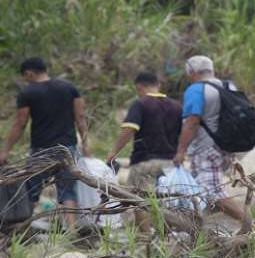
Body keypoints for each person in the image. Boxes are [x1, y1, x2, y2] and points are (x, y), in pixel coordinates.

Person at [0, 58, 89, 231]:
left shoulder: (28, 93)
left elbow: (20, 124)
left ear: (29, 73)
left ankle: (22, 229)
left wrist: (5, 150)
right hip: (68, 149)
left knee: (30, 190)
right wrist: (85, 145)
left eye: (25, 76)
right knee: (68, 190)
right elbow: (81, 118)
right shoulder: (69, 88)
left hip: (41, 150)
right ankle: (70, 232)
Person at [173, 55, 253, 234]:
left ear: (191, 72)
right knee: (201, 190)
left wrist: (180, 151)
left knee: (212, 192)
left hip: (206, 148)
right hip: (226, 146)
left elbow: (192, 122)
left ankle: (250, 225)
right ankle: (205, 232)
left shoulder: (196, 90)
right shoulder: (228, 86)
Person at [106, 72, 182, 230]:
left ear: (139, 87)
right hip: (170, 163)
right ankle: (166, 235)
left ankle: (145, 237)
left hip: (145, 161)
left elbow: (129, 130)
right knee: (165, 200)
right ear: (158, 85)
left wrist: (113, 153)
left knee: (139, 200)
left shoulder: (140, 103)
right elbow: (184, 132)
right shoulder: (176, 106)